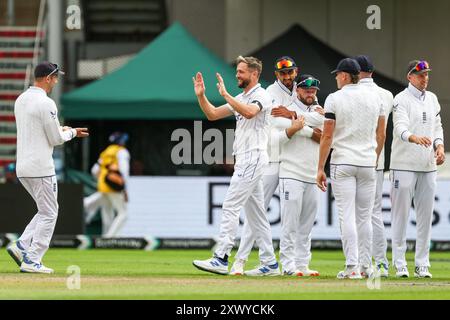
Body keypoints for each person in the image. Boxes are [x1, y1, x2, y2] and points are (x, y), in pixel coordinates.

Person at [230, 57, 319, 275]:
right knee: (258, 213)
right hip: (270, 158)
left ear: (295, 72)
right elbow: (273, 123)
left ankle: (289, 263)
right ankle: (240, 262)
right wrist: (302, 123)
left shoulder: (301, 90)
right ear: (277, 74)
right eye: (282, 74)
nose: (287, 77)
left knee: (297, 216)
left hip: (292, 160)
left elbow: (321, 120)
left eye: (290, 73)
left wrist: (294, 115)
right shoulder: (269, 91)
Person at [192, 56, 279, 276]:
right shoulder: (241, 97)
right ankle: (270, 263)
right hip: (246, 159)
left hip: (252, 158)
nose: (237, 75)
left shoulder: (262, 95)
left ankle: (221, 257)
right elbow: (212, 114)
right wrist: (201, 96)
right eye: (237, 71)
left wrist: (226, 95)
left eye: (241, 71)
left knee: (230, 206)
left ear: (254, 74)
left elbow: (250, 112)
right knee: (257, 215)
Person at [6, 61, 89, 273]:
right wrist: (71, 133)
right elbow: (55, 139)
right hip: (40, 167)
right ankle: (32, 259)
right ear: (48, 78)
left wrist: (62, 128)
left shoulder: (21, 99)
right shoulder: (46, 103)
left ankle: (22, 246)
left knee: (45, 210)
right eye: (55, 77)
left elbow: (38, 128)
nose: (57, 81)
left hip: (23, 166)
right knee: (50, 213)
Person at [316, 58, 386, 279]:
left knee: (346, 214)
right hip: (367, 163)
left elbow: (327, 135)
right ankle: (366, 266)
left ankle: (351, 266)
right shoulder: (377, 98)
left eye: (338, 74)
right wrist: (373, 158)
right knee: (364, 217)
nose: (336, 78)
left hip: (343, 161)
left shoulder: (334, 98)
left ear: (345, 76)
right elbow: (381, 134)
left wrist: (320, 167)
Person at [390, 60, 445, 278]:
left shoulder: (432, 99)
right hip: (403, 165)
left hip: (427, 166)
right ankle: (400, 262)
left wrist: (439, 145)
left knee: (425, 217)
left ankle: (422, 264)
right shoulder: (400, 99)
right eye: (421, 75)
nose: (425, 79)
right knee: (401, 216)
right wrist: (413, 137)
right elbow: (399, 127)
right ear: (410, 76)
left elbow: (437, 126)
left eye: (427, 75)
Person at [276, 74, 324, 276]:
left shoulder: (314, 111)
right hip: (291, 172)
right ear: (298, 90)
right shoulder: (282, 110)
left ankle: (302, 264)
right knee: (290, 223)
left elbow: (325, 136)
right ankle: (288, 265)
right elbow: (280, 137)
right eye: (306, 90)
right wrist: (308, 129)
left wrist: (297, 123)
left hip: (312, 174)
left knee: (306, 224)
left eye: (313, 91)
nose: (310, 93)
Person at [355, 55, 394, 277]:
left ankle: (359, 263)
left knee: (357, 214)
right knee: (373, 213)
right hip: (375, 161)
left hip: (356, 158)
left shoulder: (353, 92)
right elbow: (383, 132)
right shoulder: (386, 94)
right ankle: (380, 263)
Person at [84, 132, 130, 237]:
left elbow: (94, 170)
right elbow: (124, 171)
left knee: (107, 215)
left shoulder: (106, 152)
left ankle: (105, 238)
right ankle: (109, 238)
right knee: (123, 214)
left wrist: (101, 178)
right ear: (121, 142)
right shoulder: (122, 152)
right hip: (114, 186)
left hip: (103, 185)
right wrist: (125, 189)